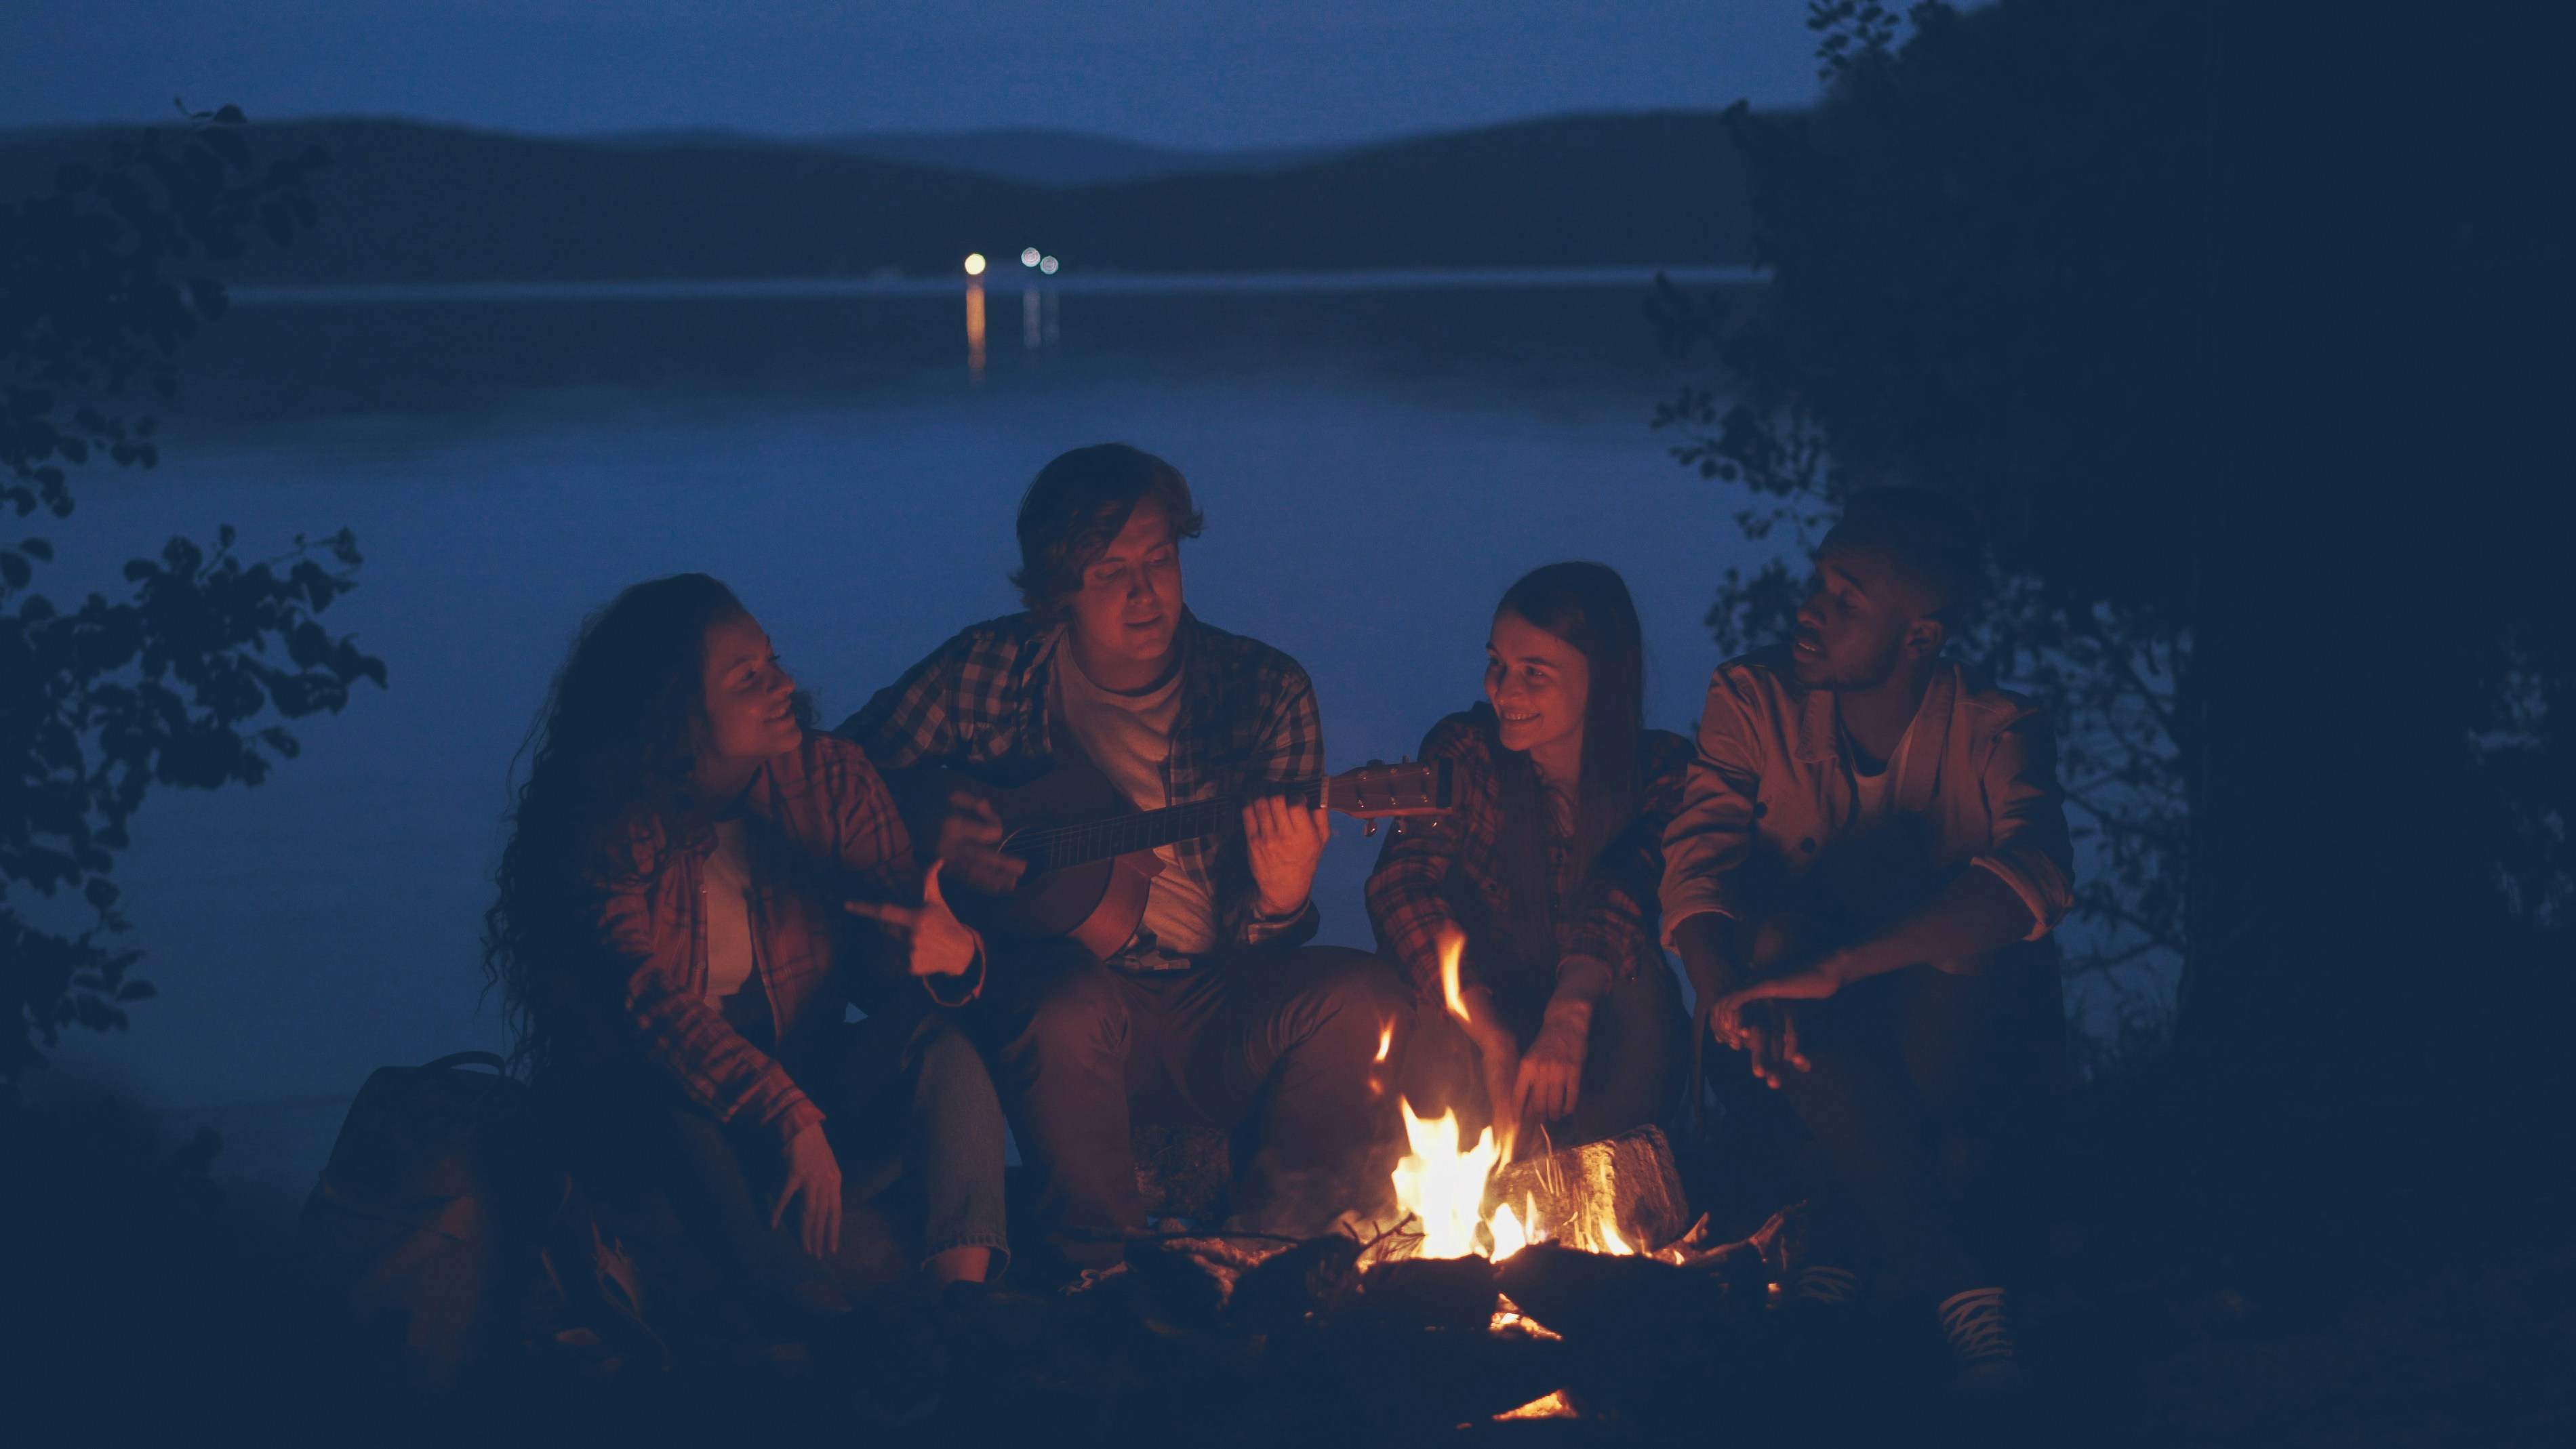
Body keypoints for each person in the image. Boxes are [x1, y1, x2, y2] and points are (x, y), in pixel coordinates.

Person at [839, 443, 1407, 1280]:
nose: (1146, 593)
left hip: (1214, 997)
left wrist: (1284, 900)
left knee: (1364, 996)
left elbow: (1267, 952)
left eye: (1160, 560)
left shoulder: (1261, 688)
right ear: (1057, 586)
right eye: (1111, 572)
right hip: (1057, 995)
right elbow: (836, 778)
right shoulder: (988, 671)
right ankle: (1100, 1271)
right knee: (1062, 1002)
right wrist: (930, 829)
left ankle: (1271, 1253)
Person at [482, 573, 1009, 1343]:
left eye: (774, 661)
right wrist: (782, 1111)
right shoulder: (607, 822)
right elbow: (648, 1003)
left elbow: (884, 961)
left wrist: (952, 953)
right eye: (748, 678)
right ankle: (805, 1313)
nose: (784, 684)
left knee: (943, 1047)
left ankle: (964, 1309)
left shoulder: (832, 779)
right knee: (662, 1083)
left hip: (811, 1109)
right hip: (671, 1131)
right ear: (672, 713)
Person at [1659, 489, 2074, 1393]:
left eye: (1847, 600)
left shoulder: (1996, 727)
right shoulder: (1753, 697)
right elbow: (1697, 864)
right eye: (1819, 586)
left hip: (1945, 1037)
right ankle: (1962, 1284)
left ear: (1920, 635)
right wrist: (1726, 987)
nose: (1811, 611)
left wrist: (1835, 966)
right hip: (1772, 1039)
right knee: (1776, 928)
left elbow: (2036, 875)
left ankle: (1842, 1242)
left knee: (1960, 936)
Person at [1366, 562, 1691, 1154]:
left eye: (1534, 673)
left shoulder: (1663, 772)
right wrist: (1488, 1030)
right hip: (1487, 1018)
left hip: (1608, 1021)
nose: (1504, 691)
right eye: (1498, 664)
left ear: (1604, 676)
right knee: (1436, 1020)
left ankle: (1595, 1193)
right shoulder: (1467, 754)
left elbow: (1626, 886)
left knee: (1641, 988)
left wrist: (1568, 1015)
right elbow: (1401, 882)